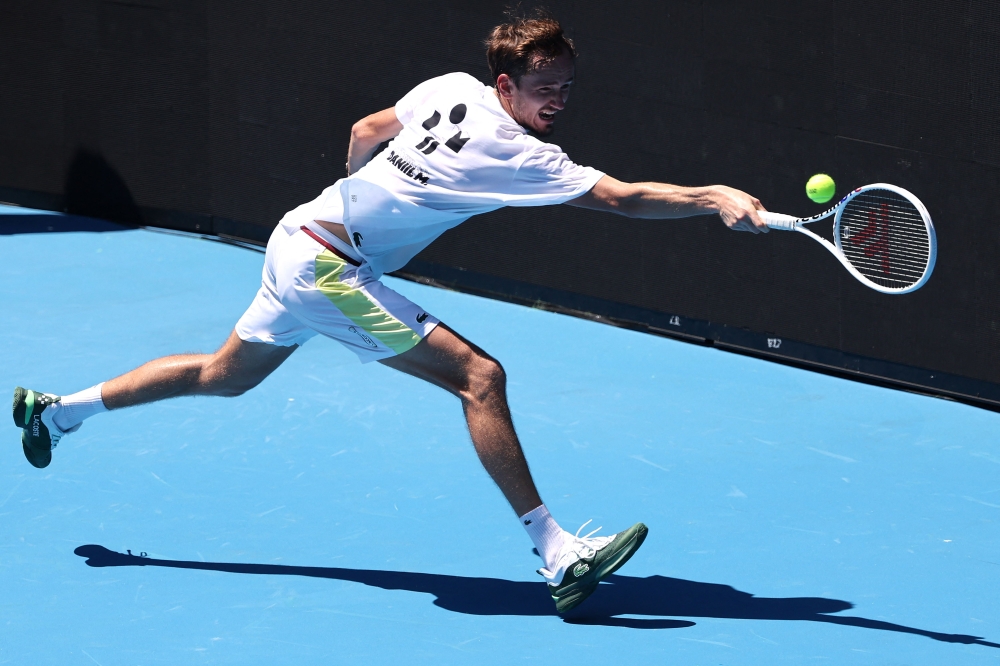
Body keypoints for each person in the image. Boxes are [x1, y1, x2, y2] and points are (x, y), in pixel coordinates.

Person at [12, 12, 767, 613]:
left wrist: (361, 203)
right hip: (329, 270)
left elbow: (365, 133)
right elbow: (622, 199)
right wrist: (712, 198)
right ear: (506, 85)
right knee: (481, 377)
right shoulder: (520, 154)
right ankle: (558, 554)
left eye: (568, 86)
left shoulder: (448, 88)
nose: (561, 101)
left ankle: (57, 414)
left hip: (298, 234)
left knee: (223, 376)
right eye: (547, 89)